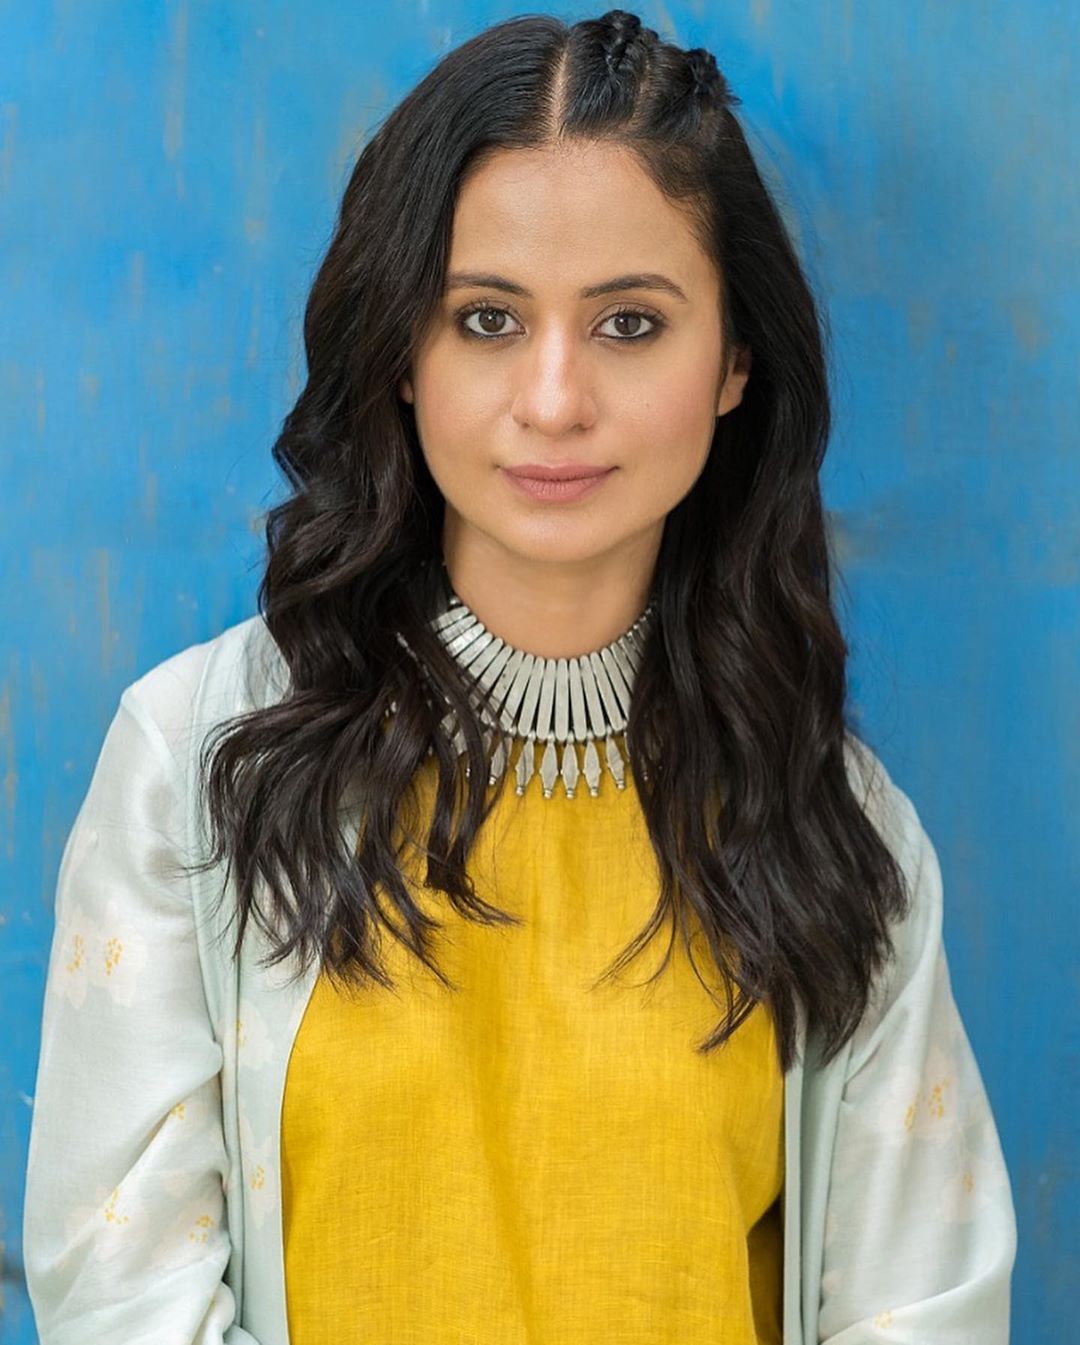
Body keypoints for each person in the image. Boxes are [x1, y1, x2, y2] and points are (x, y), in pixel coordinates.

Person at [23, 8, 1016, 1343]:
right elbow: (123, 1299)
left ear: (734, 362)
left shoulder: (836, 827)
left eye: (629, 324)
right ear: (402, 352)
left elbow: (921, 1310)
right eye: (487, 319)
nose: (552, 400)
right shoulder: (204, 764)